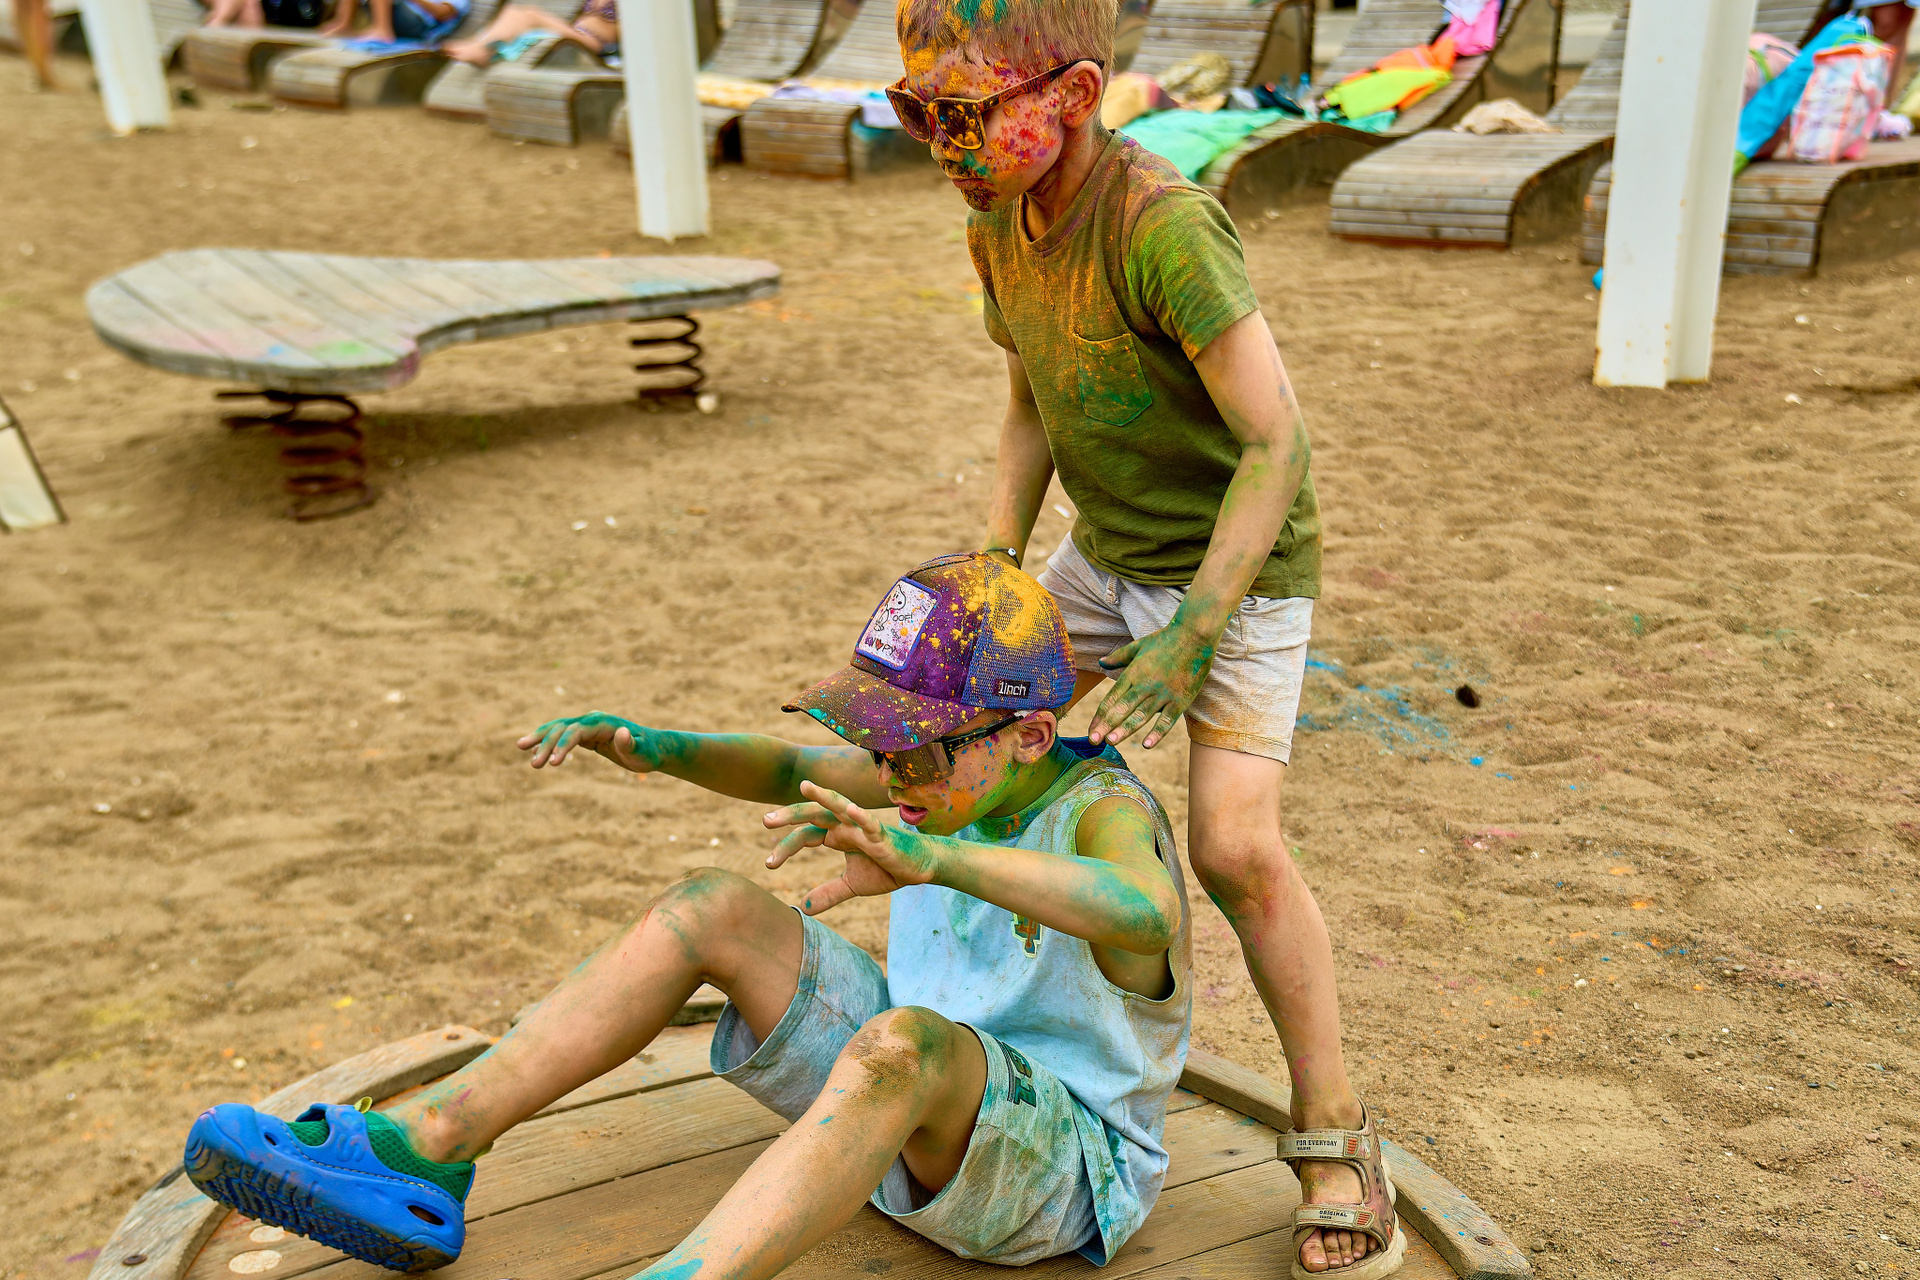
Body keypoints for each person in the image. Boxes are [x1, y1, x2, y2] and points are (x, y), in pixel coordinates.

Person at [181, 554, 1197, 1279]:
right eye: (881, 747)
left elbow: (1145, 914)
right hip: (913, 1125)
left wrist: (936, 860)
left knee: (906, 1042)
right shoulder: (944, 779)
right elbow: (790, 765)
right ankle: (427, 1147)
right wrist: (656, 747)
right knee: (714, 906)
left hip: (1057, 1177)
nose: (894, 777)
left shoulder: (1100, 815)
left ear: (1029, 735)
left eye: (917, 751)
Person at [884, 2, 1400, 1277]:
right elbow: (1030, 399)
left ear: (1071, 94)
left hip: (1238, 567)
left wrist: (1189, 642)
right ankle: (1000, 1038)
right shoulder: (995, 214)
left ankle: (1335, 1133)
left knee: (1234, 848)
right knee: (947, 726)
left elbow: (1277, 444)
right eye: (916, 111)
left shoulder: (1163, 225)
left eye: (964, 113)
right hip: (1106, 555)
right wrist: (998, 560)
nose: (941, 143)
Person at [443, 0, 614, 66]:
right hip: (577, 33)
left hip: (595, 43)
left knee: (531, 15)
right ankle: (479, 44)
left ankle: (482, 49)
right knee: (513, 11)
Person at [316, 0, 465, 45]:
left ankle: (382, 30)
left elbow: (442, 14)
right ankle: (344, 23)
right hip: (400, 14)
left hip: (421, 25)